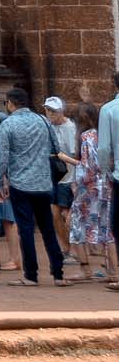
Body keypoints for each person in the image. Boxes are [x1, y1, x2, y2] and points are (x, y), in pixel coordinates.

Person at [0, 88, 65, 286]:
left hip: (20, 183)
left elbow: (1, 158)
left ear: (10, 103)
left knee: (25, 230)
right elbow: (56, 148)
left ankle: (31, 275)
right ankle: (58, 273)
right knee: (48, 229)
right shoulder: (43, 120)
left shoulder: (8, 124)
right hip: (43, 183)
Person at [66, 103, 108, 282]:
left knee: (76, 226)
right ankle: (110, 267)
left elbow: (88, 166)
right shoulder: (102, 135)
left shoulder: (86, 136)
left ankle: (85, 269)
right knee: (105, 228)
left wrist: (66, 160)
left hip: (88, 189)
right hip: (104, 187)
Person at [44, 97, 79, 242]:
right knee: (55, 214)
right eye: (48, 110)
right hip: (54, 178)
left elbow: (74, 153)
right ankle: (66, 247)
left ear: (61, 111)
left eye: (53, 111)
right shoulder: (47, 126)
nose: (50, 114)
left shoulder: (70, 128)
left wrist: (76, 178)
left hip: (68, 177)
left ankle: (75, 248)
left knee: (66, 214)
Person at [98, 74, 119, 286]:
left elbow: (103, 148)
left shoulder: (109, 109)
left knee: (117, 223)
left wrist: (105, 172)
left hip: (118, 175)